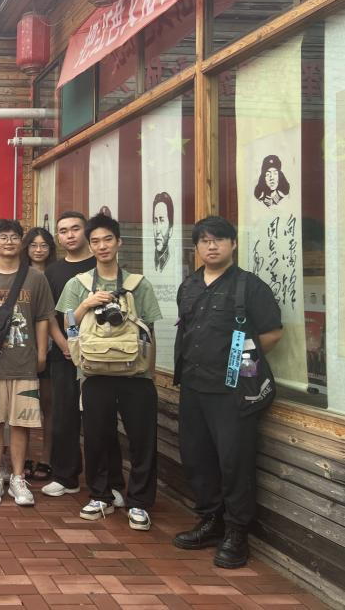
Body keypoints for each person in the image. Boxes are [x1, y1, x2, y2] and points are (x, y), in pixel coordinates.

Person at [172, 216, 282, 568]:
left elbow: (271, 334)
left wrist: (239, 364)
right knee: (197, 458)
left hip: (233, 392)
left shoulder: (249, 286)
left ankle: (237, 533)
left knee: (235, 462)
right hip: (193, 386)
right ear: (196, 247)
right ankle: (211, 521)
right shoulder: (189, 285)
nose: (212, 246)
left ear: (233, 243)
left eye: (219, 239)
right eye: (204, 240)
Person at [56, 212, 162, 531]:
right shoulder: (78, 284)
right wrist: (86, 305)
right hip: (93, 374)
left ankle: (139, 502)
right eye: (96, 241)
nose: (102, 246)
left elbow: (149, 331)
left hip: (136, 376)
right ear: (90, 246)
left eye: (107, 240)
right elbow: (69, 326)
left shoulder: (138, 284)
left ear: (119, 243)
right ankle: (100, 495)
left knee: (142, 439)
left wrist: (150, 374)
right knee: (97, 437)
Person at [41, 212, 125, 506]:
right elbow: (49, 315)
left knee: (101, 420)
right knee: (63, 417)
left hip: (101, 357)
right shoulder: (53, 271)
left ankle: (111, 482)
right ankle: (65, 477)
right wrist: (64, 344)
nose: (69, 235)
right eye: (63, 231)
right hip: (64, 356)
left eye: (75, 229)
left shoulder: (101, 265)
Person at [0, 219, 54, 508]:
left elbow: (42, 318)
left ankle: (18, 478)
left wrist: (41, 354)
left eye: (14, 237)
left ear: (21, 242)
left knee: (21, 423)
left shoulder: (35, 278)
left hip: (24, 363)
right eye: (3, 237)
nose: (9, 242)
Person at [19, 227, 56, 482]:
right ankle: (25, 457)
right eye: (33, 245)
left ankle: (46, 457)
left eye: (44, 245)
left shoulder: (56, 274)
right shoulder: (20, 274)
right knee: (24, 406)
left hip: (52, 348)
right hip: (23, 347)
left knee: (48, 406)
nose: (39, 250)